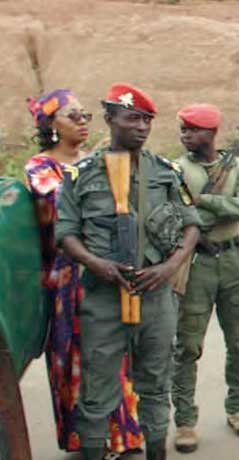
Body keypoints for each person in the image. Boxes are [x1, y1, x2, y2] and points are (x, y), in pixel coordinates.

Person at [55, 82, 201, 460]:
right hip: (103, 299)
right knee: (97, 392)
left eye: (147, 120)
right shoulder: (81, 174)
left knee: (156, 386)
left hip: (155, 295)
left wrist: (168, 267)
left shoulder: (166, 172)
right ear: (109, 119)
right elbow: (65, 232)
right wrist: (96, 263)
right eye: (132, 118)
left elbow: (192, 225)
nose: (141, 127)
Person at [24, 89, 145, 457]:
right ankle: (86, 439)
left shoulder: (97, 161)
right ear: (51, 126)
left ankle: (123, 436)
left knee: (116, 352)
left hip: (108, 271)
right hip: (69, 280)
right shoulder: (41, 168)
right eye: (72, 116)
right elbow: (67, 203)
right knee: (76, 356)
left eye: (85, 116)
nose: (81, 122)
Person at [171, 103, 239, 453]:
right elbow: (179, 214)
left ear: (210, 133)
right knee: (187, 346)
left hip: (235, 262)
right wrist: (217, 206)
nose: (185, 136)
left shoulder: (236, 167)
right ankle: (184, 420)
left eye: (192, 130)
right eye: (183, 130)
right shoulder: (176, 171)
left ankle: (238, 409)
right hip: (197, 264)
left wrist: (209, 202)